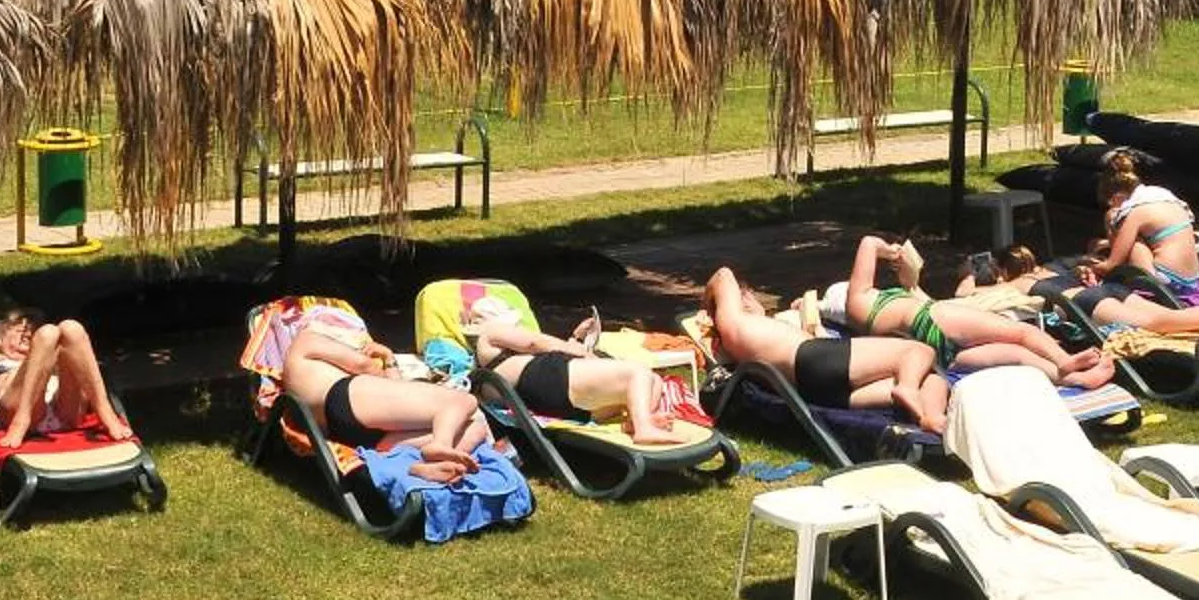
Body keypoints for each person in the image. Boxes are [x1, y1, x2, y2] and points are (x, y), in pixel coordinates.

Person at [843, 236, 1116, 390]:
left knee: (1019, 357)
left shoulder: (865, 320)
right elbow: (868, 242)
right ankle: (1064, 361)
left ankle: (1077, 379)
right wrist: (891, 251)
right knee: (1021, 333)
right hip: (931, 318)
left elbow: (913, 293)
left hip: (935, 354)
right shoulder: (859, 298)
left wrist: (908, 274)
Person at [702, 265, 948, 431]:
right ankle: (906, 388)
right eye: (749, 295)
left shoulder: (749, 334)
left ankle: (932, 419)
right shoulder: (737, 323)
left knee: (930, 379)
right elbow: (722, 275)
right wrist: (708, 300)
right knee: (918, 351)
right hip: (814, 357)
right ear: (741, 298)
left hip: (815, 389)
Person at [278, 312, 496, 477]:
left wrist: (389, 359)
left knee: (474, 426)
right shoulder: (306, 337)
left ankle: (418, 467)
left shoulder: (315, 363)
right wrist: (371, 361)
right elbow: (364, 366)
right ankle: (440, 446)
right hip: (343, 397)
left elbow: (394, 389)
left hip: (355, 430)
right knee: (464, 401)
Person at [459, 299, 682, 445]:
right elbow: (535, 343)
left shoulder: (495, 357)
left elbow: (541, 353)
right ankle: (644, 428)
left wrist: (575, 339)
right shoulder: (490, 333)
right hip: (547, 380)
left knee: (653, 380)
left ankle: (637, 420)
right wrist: (577, 350)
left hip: (553, 393)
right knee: (637, 372)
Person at [968, 244, 1199, 336]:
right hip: (1109, 289)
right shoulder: (1051, 267)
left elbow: (965, 295)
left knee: (1156, 325)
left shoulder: (1013, 284)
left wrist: (974, 273)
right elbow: (1085, 260)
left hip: (1085, 303)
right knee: (1165, 314)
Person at [0, 312, 137, 454]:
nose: (25, 338)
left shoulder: (50, 357)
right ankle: (22, 419)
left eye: (31, 336)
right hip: (15, 409)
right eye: (18, 331)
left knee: (71, 328)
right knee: (47, 333)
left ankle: (105, 410)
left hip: (63, 413)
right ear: (0, 338)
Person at [1092, 150, 1199, 292]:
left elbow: (1112, 265)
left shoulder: (1134, 213)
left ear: (1116, 198)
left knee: (1121, 227)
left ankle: (1144, 283)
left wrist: (1092, 266)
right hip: (1192, 280)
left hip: (1164, 281)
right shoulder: (1163, 196)